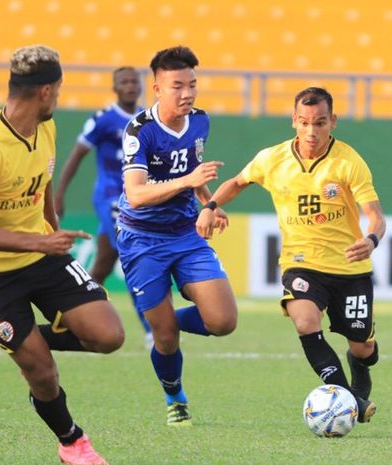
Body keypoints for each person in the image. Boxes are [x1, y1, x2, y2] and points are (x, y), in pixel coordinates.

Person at [0, 45, 124, 465]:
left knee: (108, 336)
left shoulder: (46, 128)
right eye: (59, 89)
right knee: (42, 374)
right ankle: (72, 442)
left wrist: (52, 226)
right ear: (45, 91)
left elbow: (41, 182)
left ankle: (26, 343)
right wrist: (41, 242)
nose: (60, 97)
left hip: (42, 255)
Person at [196, 87, 386, 424]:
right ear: (294, 121)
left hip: (349, 267)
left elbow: (375, 214)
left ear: (333, 122)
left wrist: (371, 239)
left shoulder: (348, 161)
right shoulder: (272, 159)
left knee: (363, 349)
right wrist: (211, 206)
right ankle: (350, 399)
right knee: (305, 322)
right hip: (301, 263)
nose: (312, 131)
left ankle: (359, 368)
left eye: (320, 123)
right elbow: (238, 182)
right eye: (305, 122)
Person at [116, 46, 237, 426]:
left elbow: (194, 170)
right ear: (156, 88)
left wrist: (208, 205)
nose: (187, 93)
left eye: (192, 85)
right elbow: (135, 194)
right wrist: (188, 181)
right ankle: (175, 396)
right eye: (177, 86)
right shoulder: (139, 130)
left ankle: (163, 320)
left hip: (185, 232)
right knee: (166, 341)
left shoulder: (200, 121)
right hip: (142, 239)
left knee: (223, 321)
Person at [54, 67, 152, 347]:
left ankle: (71, 316)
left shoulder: (147, 120)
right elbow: (76, 157)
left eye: (135, 81)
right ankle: (150, 329)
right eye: (125, 82)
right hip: (109, 196)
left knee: (102, 265)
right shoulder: (103, 119)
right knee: (132, 253)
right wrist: (59, 195)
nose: (131, 86)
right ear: (115, 87)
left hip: (137, 196)